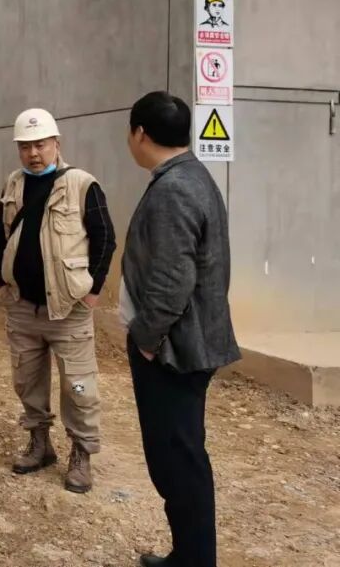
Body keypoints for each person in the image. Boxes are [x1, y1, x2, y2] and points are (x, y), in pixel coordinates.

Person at [123, 92, 240, 567]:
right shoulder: (192, 176)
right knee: (180, 457)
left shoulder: (174, 188)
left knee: (178, 461)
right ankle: (187, 556)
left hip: (174, 351)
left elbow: (173, 279)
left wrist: (147, 340)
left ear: (139, 134)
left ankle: (194, 561)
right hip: (185, 344)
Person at [0, 108, 116, 494]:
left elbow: (106, 239)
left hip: (69, 310)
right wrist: (4, 281)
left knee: (79, 387)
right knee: (27, 380)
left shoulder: (81, 184)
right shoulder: (14, 184)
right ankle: (39, 444)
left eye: (40, 144)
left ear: (56, 144)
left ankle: (81, 453)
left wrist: (93, 292)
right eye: (25, 146)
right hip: (24, 308)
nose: (33, 153)